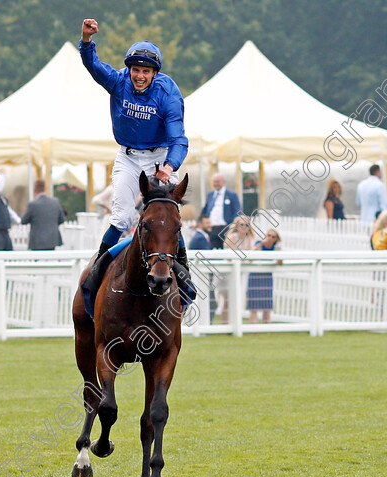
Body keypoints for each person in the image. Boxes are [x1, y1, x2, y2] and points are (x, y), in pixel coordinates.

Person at [78, 17, 194, 314]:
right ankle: (97, 271)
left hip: (160, 158)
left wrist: (168, 167)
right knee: (120, 217)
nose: (139, 76)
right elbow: (94, 67)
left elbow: (179, 138)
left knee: (167, 217)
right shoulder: (118, 81)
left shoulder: (167, 92)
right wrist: (87, 41)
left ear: (155, 73)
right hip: (128, 157)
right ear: (129, 69)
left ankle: (185, 277)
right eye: (136, 70)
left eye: (146, 71)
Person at [219, 215, 254, 323]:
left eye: (246, 225)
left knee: (237, 299)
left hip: (240, 273)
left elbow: (249, 258)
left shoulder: (249, 239)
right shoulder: (232, 237)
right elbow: (232, 257)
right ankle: (225, 324)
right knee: (227, 300)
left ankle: (234, 323)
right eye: (241, 225)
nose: (244, 227)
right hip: (226, 273)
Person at [247, 228, 281, 323]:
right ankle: (253, 327)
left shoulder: (276, 247)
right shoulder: (259, 244)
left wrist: (279, 251)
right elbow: (250, 256)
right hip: (255, 276)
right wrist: (260, 244)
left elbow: (280, 262)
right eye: (268, 235)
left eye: (273, 237)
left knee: (267, 304)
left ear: (276, 239)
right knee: (254, 304)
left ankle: (266, 325)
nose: (270, 238)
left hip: (267, 277)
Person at [21, 179, 66, 250]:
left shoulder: (33, 205)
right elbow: (62, 219)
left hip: (37, 242)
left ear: (35, 190)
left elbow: (23, 221)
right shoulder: (55, 202)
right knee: (51, 260)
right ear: (45, 189)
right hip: (52, 240)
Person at [189, 215, 217, 322]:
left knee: (211, 303)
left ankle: (206, 325)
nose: (210, 225)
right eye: (207, 223)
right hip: (201, 276)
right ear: (200, 224)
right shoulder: (200, 238)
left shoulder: (202, 236)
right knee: (211, 304)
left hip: (202, 276)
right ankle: (206, 325)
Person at [201, 173, 241, 248]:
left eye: (218, 181)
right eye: (214, 182)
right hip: (212, 229)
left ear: (223, 182)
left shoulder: (232, 195)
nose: (216, 184)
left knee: (226, 250)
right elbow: (205, 210)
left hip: (225, 228)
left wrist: (232, 226)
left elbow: (237, 211)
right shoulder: (211, 195)